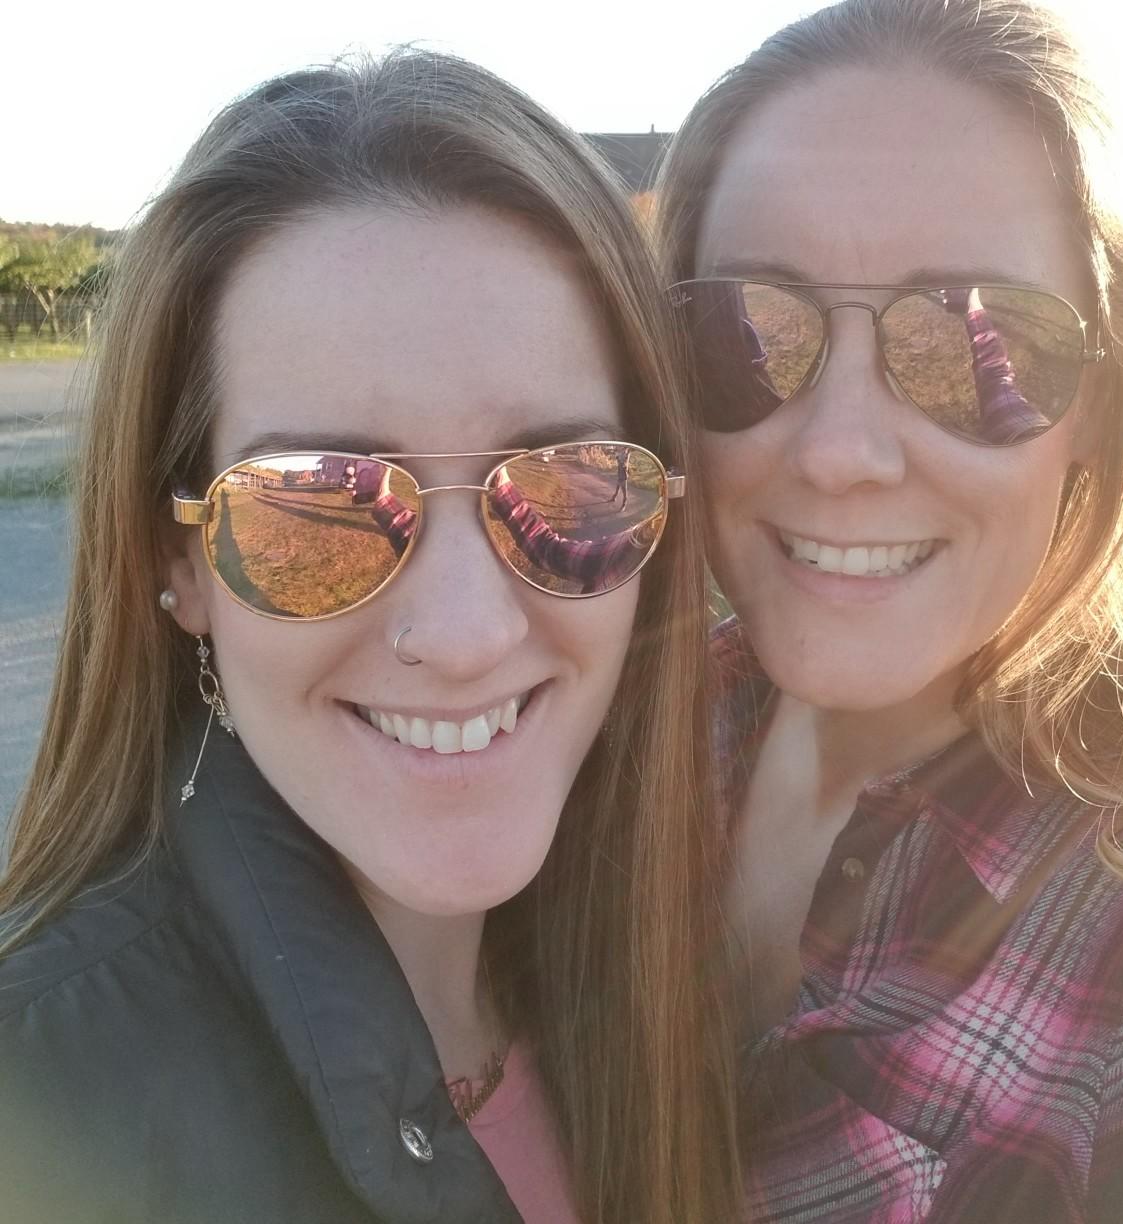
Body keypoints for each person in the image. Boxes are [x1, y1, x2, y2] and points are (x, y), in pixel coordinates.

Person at [0, 52, 740, 1223]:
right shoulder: (38, 1109)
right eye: (318, 508)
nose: (465, 633)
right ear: (179, 563)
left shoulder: (674, 986)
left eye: (563, 486)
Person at [656, 1, 1123, 1220]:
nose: (841, 452)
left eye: (971, 347)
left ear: (1102, 405)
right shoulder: (603, 740)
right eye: (751, 333)